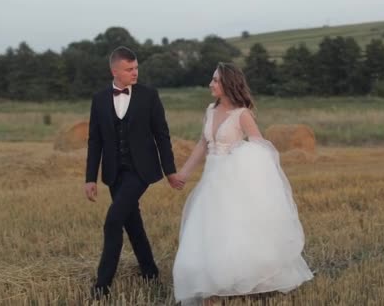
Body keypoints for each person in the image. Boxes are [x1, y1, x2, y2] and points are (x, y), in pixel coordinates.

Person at [173, 62, 313, 305]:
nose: (211, 84)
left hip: (234, 182)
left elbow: (261, 147)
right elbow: (202, 145)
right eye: (212, 79)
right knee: (208, 230)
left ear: (228, 84)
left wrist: (240, 161)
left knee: (235, 230)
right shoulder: (210, 110)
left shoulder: (242, 115)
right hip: (211, 181)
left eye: (215, 80)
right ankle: (210, 282)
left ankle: (240, 279)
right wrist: (183, 174)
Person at [84, 46, 184, 299]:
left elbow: (162, 135)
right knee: (132, 222)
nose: (135, 72)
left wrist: (170, 170)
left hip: (142, 170)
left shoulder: (149, 96)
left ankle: (101, 286)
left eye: (136, 67)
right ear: (114, 70)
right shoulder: (99, 99)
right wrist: (90, 178)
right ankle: (150, 272)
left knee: (114, 219)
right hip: (114, 173)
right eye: (129, 69)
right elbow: (94, 140)